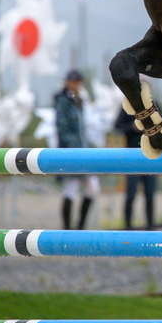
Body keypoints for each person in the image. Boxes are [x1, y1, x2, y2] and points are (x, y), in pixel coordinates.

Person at [53, 69, 99, 229]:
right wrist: (75, 148)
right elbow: (62, 128)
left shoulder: (79, 99)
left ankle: (80, 227)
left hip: (83, 150)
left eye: (78, 82)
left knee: (92, 188)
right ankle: (67, 228)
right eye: (74, 82)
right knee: (70, 190)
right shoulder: (63, 101)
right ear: (67, 82)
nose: (76, 85)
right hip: (72, 151)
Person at [114, 106, 156, 230]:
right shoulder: (127, 106)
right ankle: (128, 228)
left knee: (150, 194)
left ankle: (151, 227)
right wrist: (132, 127)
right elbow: (117, 126)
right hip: (132, 158)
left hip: (150, 156)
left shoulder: (153, 104)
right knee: (130, 194)